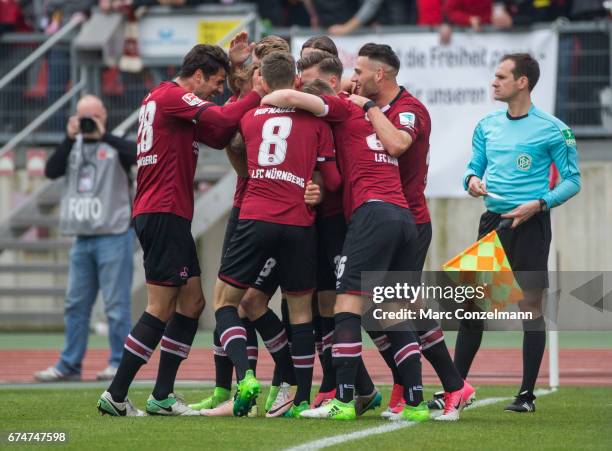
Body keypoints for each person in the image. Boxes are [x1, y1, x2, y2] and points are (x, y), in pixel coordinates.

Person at [97, 36, 265, 417]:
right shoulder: (169, 97)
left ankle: (161, 395)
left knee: (192, 302)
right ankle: (117, 393)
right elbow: (224, 118)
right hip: (163, 212)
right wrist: (255, 92)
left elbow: (220, 132)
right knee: (160, 307)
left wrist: (239, 77)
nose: (220, 91)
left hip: (169, 213)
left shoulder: (175, 107)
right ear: (199, 76)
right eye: (218, 82)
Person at [262, 48, 428, 423]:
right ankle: (416, 402)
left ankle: (346, 399)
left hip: (371, 215)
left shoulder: (341, 108)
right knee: (394, 312)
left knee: (346, 307)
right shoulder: (379, 117)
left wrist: (262, 102)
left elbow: (287, 96)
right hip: (403, 217)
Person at [346, 43, 474, 421]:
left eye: (360, 71)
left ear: (379, 75)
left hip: (409, 222)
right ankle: (409, 387)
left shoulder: (409, 110)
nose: (355, 77)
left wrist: (366, 109)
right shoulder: (377, 108)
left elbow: (399, 145)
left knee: (394, 309)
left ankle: (452, 386)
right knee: (376, 310)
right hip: (379, 221)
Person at [214, 51, 342, 418]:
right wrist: (315, 182)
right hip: (300, 223)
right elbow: (331, 178)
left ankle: (246, 376)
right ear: (297, 82)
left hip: (255, 217)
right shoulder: (317, 123)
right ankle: (300, 398)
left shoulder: (251, 118)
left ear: (264, 83)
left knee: (226, 302)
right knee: (302, 312)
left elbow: (234, 149)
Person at [459, 53, 581, 412]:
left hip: (531, 224)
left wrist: (539, 204)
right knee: (472, 309)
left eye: (501, 77)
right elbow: (472, 168)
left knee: (529, 309)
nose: (493, 82)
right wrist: (472, 181)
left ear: (522, 81)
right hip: (492, 222)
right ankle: (455, 388)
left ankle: (526, 395)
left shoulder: (554, 129)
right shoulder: (486, 125)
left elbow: (573, 180)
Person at [34, 95, 136, 383]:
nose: (89, 122)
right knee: (75, 305)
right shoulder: (73, 146)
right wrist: (68, 138)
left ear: (105, 114)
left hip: (114, 234)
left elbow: (137, 155)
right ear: (74, 119)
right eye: (83, 117)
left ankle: (118, 363)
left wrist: (104, 136)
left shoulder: (117, 142)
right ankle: (69, 364)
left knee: (116, 306)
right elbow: (51, 170)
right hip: (82, 237)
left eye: (94, 116)